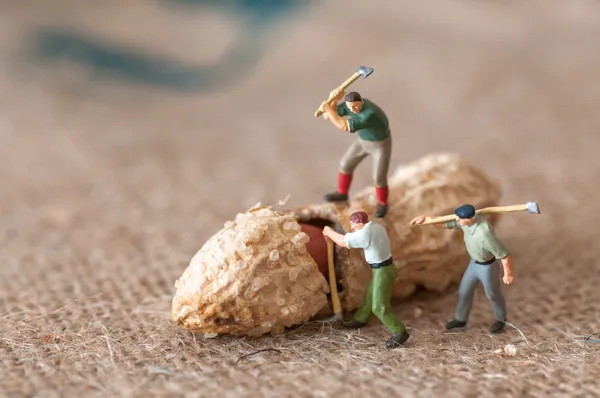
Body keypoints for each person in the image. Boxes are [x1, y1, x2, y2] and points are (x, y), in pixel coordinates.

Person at [410, 204, 514, 334]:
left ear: (470, 219)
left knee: (492, 295)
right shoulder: (465, 223)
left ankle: (501, 319)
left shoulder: (485, 235)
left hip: (487, 267)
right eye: (457, 218)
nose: (457, 220)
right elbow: (444, 224)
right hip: (473, 264)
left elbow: (505, 255)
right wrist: (429, 220)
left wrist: (507, 274)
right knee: (464, 291)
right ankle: (460, 319)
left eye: (460, 219)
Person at [322, 211, 409, 348]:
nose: (352, 227)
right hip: (383, 267)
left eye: (354, 225)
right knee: (369, 296)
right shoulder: (375, 226)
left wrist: (329, 232)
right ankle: (360, 319)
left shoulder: (365, 234)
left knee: (379, 307)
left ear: (361, 224)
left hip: (383, 270)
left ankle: (399, 331)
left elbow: (343, 241)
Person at [319, 90, 392, 218]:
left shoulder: (369, 114)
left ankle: (383, 203)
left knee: (379, 178)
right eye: (351, 107)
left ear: (361, 102)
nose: (354, 109)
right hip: (363, 141)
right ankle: (342, 194)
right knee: (345, 164)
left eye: (356, 106)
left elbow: (343, 126)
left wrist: (328, 110)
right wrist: (334, 100)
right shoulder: (350, 106)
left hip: (380, 145)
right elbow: (328, 116)